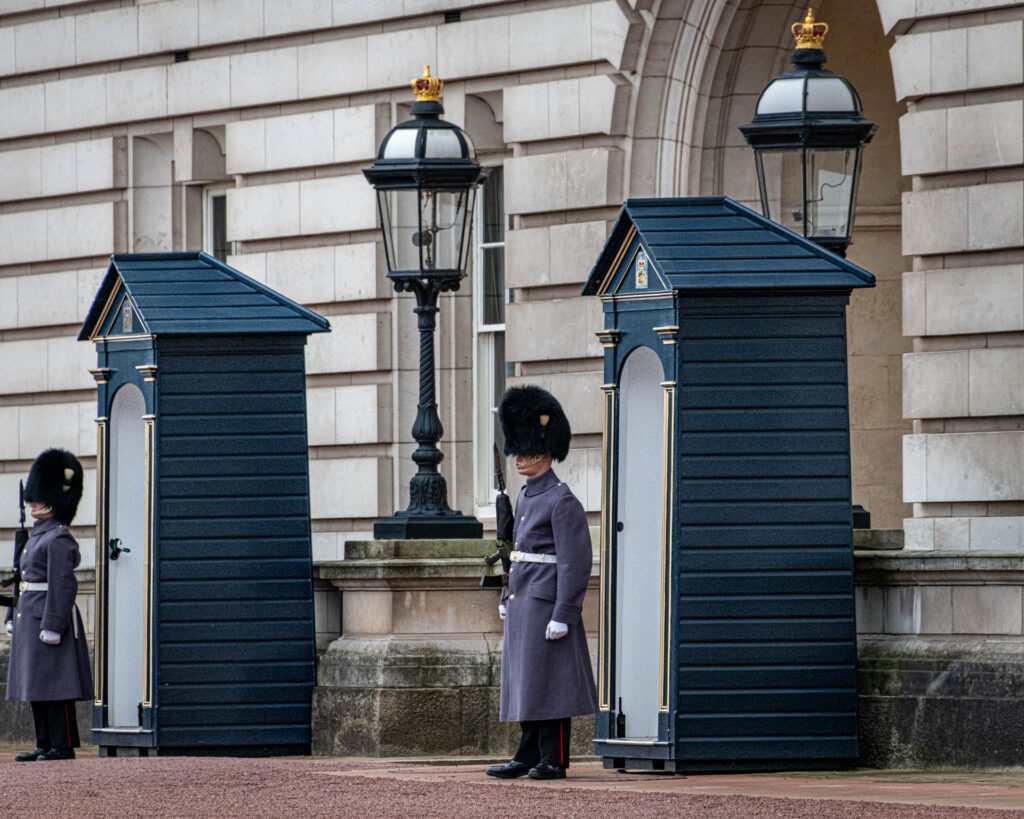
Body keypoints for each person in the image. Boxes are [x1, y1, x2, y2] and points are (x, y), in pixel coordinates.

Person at [485, 385, 598, 781]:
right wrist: (505, 593)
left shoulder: (560, 499)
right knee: (528, 682)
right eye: (517, 448)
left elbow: (575, 561)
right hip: (524, 599)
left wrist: (564, 612)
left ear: (546, 451)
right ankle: (527, 752)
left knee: (554, 683)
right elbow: (514, 550)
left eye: (528, 448)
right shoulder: (526, 496)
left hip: (547, 602)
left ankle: (555, 757)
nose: (519, 456)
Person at [5, 448, 93, 761]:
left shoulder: (58, 537)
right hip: (30, 617)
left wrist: (54, 624)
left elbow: (63, 584)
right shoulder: (35, 537)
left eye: (38, 498)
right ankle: (43, 743)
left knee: (57, 687)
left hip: (47, 618)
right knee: (36, 687)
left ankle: (62, 744)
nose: (32, 503)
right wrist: (10, 613)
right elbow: (20, 577)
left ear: (53, 501)